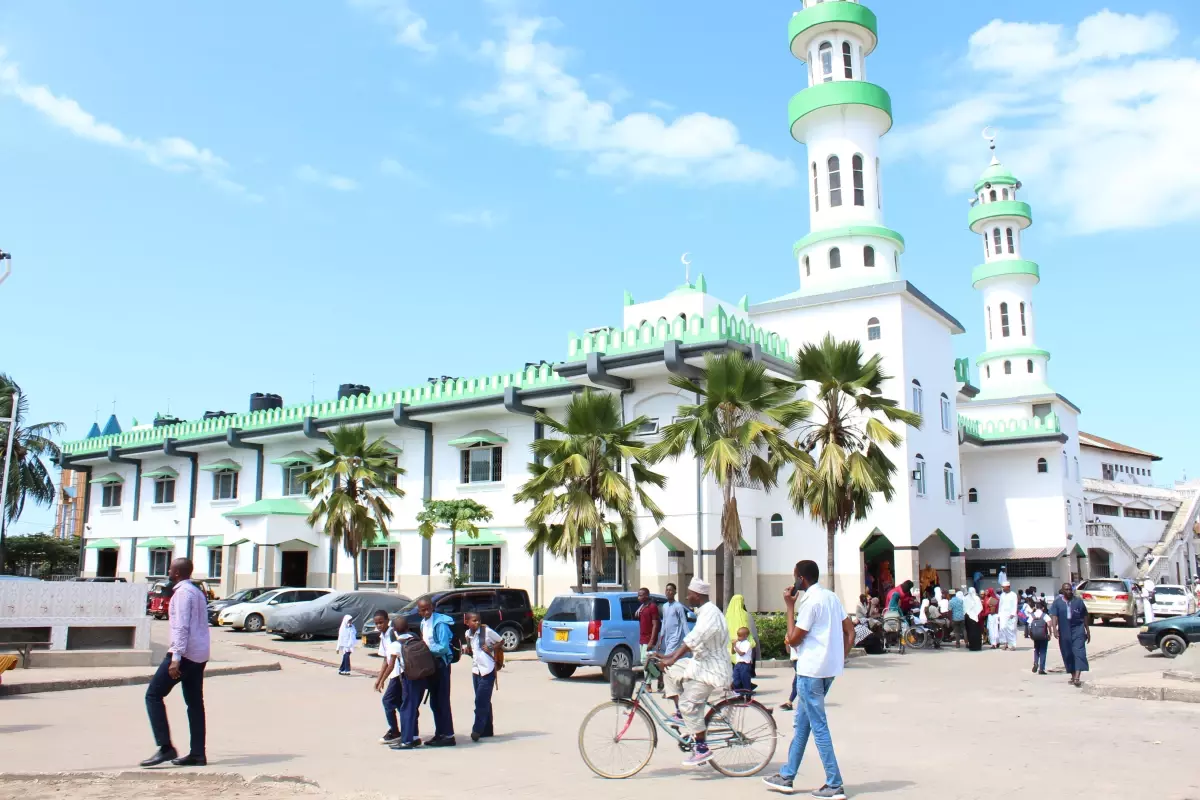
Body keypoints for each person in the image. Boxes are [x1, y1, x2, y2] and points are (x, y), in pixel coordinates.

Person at [763, 560, 853, 799]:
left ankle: (834, 783)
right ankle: (787, 775)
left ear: (800, 579)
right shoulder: (831, 597)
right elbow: (850, 631)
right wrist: (838, 658)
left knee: (818, 726)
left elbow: (793, 639)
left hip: (810, 672)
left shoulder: (810, 602)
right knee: (802, 724)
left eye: (795, 576)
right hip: (827, 671)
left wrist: (789, 607)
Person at [141, 558, 210, 767]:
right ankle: (198, 754)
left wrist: (176, 658)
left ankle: (166, 748)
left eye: (170, 568)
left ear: (177, 573)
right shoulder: (197, 592)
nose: (168, 571)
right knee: (194, 703)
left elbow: (181, 627)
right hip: (200, 654)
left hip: (184, 654)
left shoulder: (181, 594)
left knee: (153, 695)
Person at [657, 578, 730, 767]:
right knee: (670, 670)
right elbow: (689, 640)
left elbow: (694, 638)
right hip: (700, 663)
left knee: (688, 703)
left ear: (697, 595)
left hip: (712, 669)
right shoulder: (703, 611)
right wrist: (667, 657)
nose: (687, 597)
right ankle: (681, 714)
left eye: (689, 594)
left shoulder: (711, 614)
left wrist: (672, 657)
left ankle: (702, 748)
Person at [416, 597, 456, 746]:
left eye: (428, 608)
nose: (426, 612)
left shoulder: (440, 623)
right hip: (431, 664)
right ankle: (440, 733)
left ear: (432, 607)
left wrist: (425, 650)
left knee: (442, 701)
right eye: (422, 610)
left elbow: (443, 647)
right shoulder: (423, 623)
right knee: (434, 702)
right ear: (419, 611)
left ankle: (448, 735)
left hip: (441, 665)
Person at [384, 617, 425, 750]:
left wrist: (381, 680)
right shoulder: (416, 639)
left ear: (394, 630)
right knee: (412, 707)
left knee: (406, 708)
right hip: (422, 676)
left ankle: (406, 740)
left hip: (408, 678)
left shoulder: (396, 644)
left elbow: (390, 666)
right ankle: (414, 737)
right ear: (408, 628)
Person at [463, 611, 503, 742]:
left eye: (478, 620)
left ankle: (477, 729)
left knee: (480, 701)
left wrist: (491, 647)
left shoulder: (487, 631)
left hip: (488, 670)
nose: (477, 622)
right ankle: (487, 729)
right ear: (467, 622)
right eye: (474, 621)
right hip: (476, 670)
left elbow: (501, 641)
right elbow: (471, 650)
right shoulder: (468, 634)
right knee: (484, 700)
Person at [372, 610, 405, 745]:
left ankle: (395, 731)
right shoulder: (383, 636)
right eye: (377, 623)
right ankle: (408, 729)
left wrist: (383, 680)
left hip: (399, 673)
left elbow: (391, 663)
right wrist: (378, 679)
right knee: (398, 703)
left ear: (387, 620)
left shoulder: (392, 634)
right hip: (394, 673)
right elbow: (385, 660)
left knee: (387, 701)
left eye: (381, 622)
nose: (379, 625)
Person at [1049, 582, 1091, 687]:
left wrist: (1087, 630)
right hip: (1064, 630)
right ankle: (1073, 675)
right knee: (1068, 653)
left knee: (1079, 653)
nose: (1068, 591)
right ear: (1062, 591)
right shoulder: (1057, 603)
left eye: (1070, 589)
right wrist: (1054, 629)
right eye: (1066, 590)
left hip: (1078, 630)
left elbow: (1085, 615)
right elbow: (1054, 616)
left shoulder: (1078, 602)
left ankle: (1077, 678)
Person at [657, 583, 689, 692]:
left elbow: (684, 622)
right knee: (672, 662)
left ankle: (667, 687)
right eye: (667, 590)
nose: (668, 592)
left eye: (671, 590)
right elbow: (664, 622)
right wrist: (661, 638)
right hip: (667, 637)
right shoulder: (665, 606)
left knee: (666, 660)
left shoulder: (678, 606)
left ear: (675, 592)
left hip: (676, 637)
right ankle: (675, 684)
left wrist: (688, 638)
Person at [635, 587, 660, 666]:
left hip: (648, 638)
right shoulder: (642, 607)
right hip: (642, 638)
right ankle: (648, 678)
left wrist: (651, 641)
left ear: (646, 596)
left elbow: (655, 625)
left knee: (645, 660)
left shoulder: (652, 607)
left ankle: (657, 675)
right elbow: (636, 616)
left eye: (640, 595)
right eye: (638, 595)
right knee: (645, 661)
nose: (638, 598)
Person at [1028, 600, 1051, 675]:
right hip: (1043, 635)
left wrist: (1030, 634)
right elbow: (1049, 624)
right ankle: (1041, 668)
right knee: (1043, 651)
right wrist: (1050, 633)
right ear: (1043, 608)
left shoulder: (1032, 615)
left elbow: (1029, 625)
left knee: (1036, 650)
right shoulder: (1045, 615)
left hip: (1035, 635)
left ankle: (1035, 662)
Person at [731, 627, 754, 693]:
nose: (738, 637)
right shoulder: (738, 643)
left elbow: (741, 653)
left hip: (745, 665)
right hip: (738, 664)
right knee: (736, 680)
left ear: (746, 636)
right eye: (738, 635)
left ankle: (748, 695)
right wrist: (733, 645)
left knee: (745, 680)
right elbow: (733, 652)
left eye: (740, 636)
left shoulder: (747, 643)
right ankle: (738, 693)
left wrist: (735, 646)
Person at [997, 582, 1019, 650]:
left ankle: (1012, 645)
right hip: (1003, 614)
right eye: (1002, 587)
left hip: (1011, 615)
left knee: (1011, 629)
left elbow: (1015, 604)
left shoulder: (1013, 594)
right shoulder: (1002, 595)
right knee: (1002, 628)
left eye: (1004, 587)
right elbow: (1000, 605)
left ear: (1008, 587)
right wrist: (999, 615)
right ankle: (1005, 643)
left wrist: (1013, 613)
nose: (1003, 588)